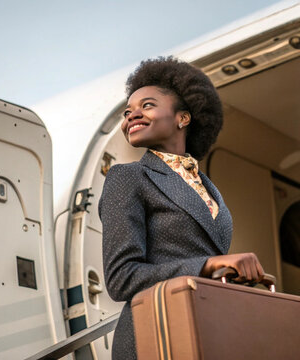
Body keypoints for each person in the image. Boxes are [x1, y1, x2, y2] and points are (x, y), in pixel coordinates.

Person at [99, 57, 265, 360]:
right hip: (156, 336)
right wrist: (207, 266)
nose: (131, 115)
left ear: (183, 118)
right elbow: (121, 277)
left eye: (146, 105)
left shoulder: (207, 187)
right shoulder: (127, 177)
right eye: (127, 112)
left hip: (204, 330)